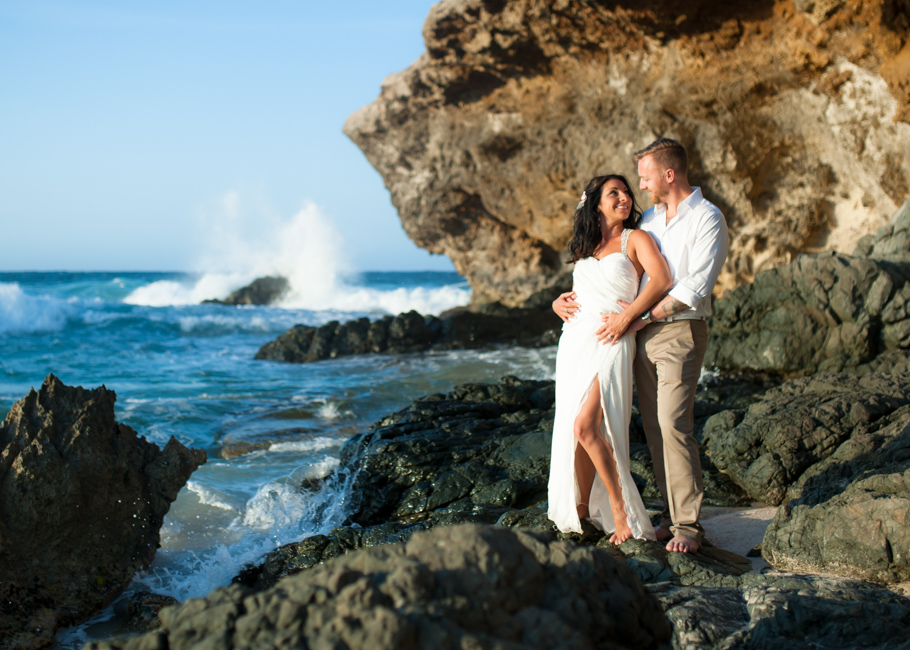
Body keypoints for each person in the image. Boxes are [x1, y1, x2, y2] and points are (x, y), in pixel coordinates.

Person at [559, 138, 729, 553]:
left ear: (668, 174)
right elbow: (605, 280)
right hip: (631, 336)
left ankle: (688, 526)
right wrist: (558, 302)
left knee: (673, 423)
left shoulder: (708, 218)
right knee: (653, 429)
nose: (640, 185)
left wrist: (637, 318)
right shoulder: (649, 219)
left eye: (644, 176)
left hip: (677, 329)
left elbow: (691, 286)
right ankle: (669, 518)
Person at [547, 174, 672, 543]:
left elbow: (662, 279)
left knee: (587, 426)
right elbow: (581, 291)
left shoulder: (636, 239)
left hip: (613, 337)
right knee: (576, 429)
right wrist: (557, 302)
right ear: (595, 204)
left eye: (626, 192)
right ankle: (582, 508)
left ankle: (620, 509)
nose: (624, 198)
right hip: (575, 341)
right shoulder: (586, 246)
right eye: (613, 193)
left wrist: (629, 316)